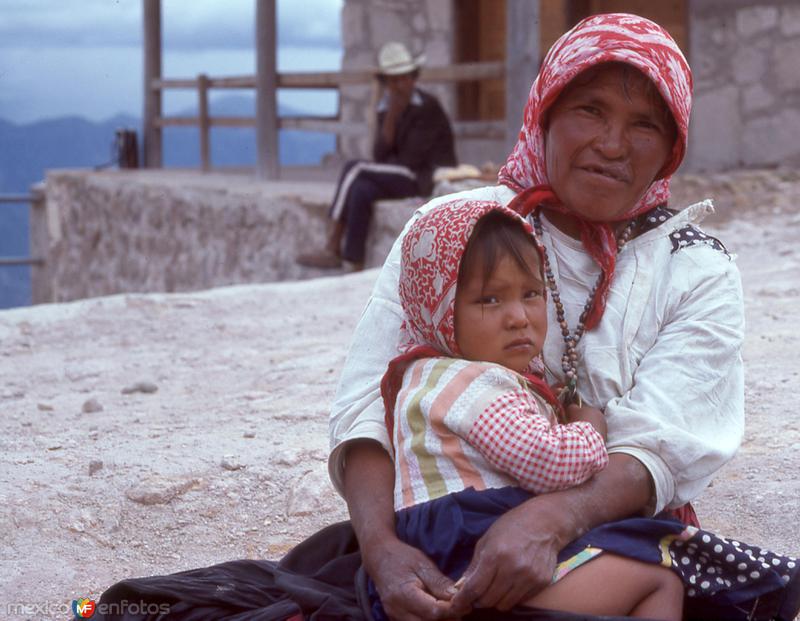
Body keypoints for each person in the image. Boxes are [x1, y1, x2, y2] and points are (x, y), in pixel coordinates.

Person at [329, 13, 800, 621]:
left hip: (607, 541)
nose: (612, 144)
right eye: (590, 110)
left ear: (671, 150)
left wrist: (549, 520)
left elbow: (666, 441)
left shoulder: (696, 269)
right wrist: (381, 548)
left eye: (645, 125)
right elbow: (370, 403)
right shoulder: (454, 230)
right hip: (439, 539)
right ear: (545, 111)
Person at [373, 198, 693, 621]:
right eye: (490, 300)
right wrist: (591, 429)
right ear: (440, 308)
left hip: (458, 549)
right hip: (477, 555)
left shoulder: (421, 374)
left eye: (531, 294)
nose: (519, 317)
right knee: (660, 580)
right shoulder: (470, 383)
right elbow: (547, 459)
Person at [297, 41, 457, 271]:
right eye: (394, 80)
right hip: (400, 172)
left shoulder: (427, 107)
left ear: (413, 77)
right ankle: (354, 259)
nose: (401, 85)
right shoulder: (387, 109)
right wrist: (391, 118)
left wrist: (394, 122)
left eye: (405, 78)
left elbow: (412, 160)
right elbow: (380, 155)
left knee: (355, 168)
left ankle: (332, 245)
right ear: (387, 84)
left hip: (422, 176)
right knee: (362, 188)